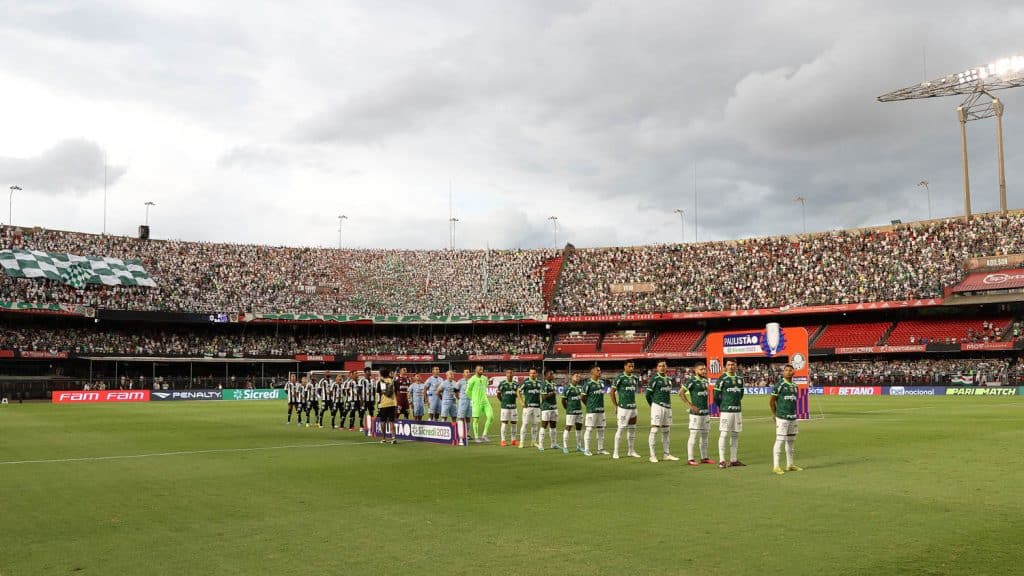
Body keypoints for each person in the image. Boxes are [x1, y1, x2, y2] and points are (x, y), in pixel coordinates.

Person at [770, 364, 802, 475]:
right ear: (783, 372)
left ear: (793, 372)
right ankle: (776, 466)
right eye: (786, 370)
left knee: (791, 442)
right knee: (780, 440)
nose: (788, 372)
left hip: (792, 417)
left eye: (790, 370)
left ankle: (790, 465)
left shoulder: (794, 385)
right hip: (782, 417)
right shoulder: (780, 384)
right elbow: (772, 400)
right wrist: (774, 414)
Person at [681, 362, 714, 465]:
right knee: (694, 435)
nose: (703, 371)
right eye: (701, 369)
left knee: (705, 436)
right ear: (695, 370)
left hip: (705, 412)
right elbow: (681, 393)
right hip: (696, 414)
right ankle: (690, 459)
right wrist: (690, 405)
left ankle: (704, 457)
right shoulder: (692, 381)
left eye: (704, 369)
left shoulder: (705, 380)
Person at [645, 361, 678, 462]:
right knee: (654, 430)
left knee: (666, 431)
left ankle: (666, 454)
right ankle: (652, 455)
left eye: (664, 366)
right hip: (657, 406)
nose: (662, 368)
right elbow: (648, 395)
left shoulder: (668, 379)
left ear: (666, 367)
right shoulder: (654, 379)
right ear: (657, 368)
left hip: (667, 407)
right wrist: (653, 405)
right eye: (660, 366)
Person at [717, 360, 745, 468]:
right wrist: (723, 405)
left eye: (733, 365)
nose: (731, 366)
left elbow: (741, 394)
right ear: (725, 366)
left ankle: (733, 460)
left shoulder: (740, 379)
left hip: (737, 410)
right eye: (729, 365)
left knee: (735, 435)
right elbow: (716, 395)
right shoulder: (722, 378)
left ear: (736, 366)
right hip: (726, 411)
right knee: (724, 434)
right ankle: (722, 460)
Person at [610, 361, 641, 459]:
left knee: (632, 429)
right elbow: (612, 392)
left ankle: (631, 451)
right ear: (625, 367)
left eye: (633, 366)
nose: (632, 368)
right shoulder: (620, 378)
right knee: (621, 429)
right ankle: (615, 452)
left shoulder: (635, 378)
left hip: (633, 407)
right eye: (629, 366)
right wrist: (616, 406)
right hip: (623, 408)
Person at [580, 366, 609, 456]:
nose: (600, 372)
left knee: (601, 429)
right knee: (589, 429)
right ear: (592, 372)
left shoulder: (601, 383)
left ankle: (600, 449)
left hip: (601, 410)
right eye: (598, 371)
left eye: (600, 370)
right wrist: (589, 405)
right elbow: (583, 397)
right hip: (592, 410)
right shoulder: (588, 384)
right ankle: (587, 449)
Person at [466, 365, 493, 443]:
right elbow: (467, 391)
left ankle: (484, 435)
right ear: (476, 370)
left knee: (491, 417)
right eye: (479, 369)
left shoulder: (484, 378)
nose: (481, 370)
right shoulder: (472, 380)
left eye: (482, 369)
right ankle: (477, 437)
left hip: (485, 401)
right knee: (476, 419)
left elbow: (486, 384)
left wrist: (490, 382)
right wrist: (473, 399)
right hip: (476, 402)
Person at [517, 368, 542, 449]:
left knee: (535, 424)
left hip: (537, 407)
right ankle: (522, 442)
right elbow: (518, 391)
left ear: (536, 374)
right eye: (531, 373)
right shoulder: (526, 382)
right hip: (528, 407)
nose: (532, 374)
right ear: (529, 374)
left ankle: (534, 442)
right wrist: (521, 402)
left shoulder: (540, 383)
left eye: (534, 373)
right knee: (525, 424)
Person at [561, 373, 584, 454]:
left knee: (579, 428)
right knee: (568, 427)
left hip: (579, 411)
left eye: (579, 376)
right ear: (572, 377)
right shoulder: (568, 388)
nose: (578, 377)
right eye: (576, 376)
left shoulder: (580, 388)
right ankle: (565, 446)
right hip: (571, 411)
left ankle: (579, 446)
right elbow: (563, 400)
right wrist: (567, 408)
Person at [497, 369, 519, 446]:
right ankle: (503, 440)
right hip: (505, 407)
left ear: (513, 374)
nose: (510, 374)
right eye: (508, 373)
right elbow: (498, 395)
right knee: (504, 422)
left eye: (511, 373)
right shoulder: (502, 384)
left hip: (513, 407)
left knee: (514, 423)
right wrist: (503, 402)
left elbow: (517, 395)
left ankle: (513, 440)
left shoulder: (516, 384)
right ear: (506, 374)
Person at [539, 369, 560, 451]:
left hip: (554, 408)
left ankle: (553, 444)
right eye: (550, 374)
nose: (552, 375)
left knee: (553, 427)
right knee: (544, 426)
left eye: (552, 374)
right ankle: (541, 445)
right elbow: (543, 397)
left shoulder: (553, 384)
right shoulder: (544, 384)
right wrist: (552, 393)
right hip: (546, 408)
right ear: (546, 376)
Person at [377, 368, 398, 444]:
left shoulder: (380, 382)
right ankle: (393, 438)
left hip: (384, 404)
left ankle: (383, 438)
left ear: (381, 374)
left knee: (383, 421)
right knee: (392, 421)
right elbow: (396, 392)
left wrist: (378, 403)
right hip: (392, 403)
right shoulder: (393, 381)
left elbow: (379, 393)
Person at [456, 369, 472, 443]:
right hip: (463, 401)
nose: (468, 373)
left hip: (470, 401)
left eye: (469, 372)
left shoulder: (471, 381)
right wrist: (459, 398)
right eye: (467, 372)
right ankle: (460, 434)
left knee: (468, 418)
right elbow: (455, 390)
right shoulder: (460, 381)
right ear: (463, 374)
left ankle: (467, 434)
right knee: (461, 418)